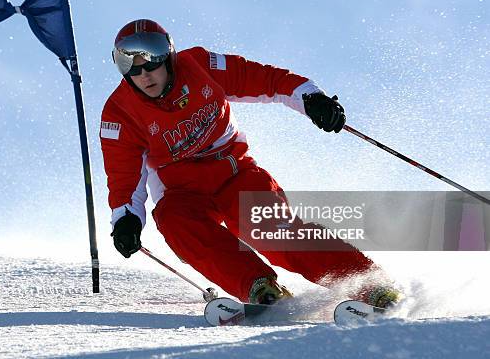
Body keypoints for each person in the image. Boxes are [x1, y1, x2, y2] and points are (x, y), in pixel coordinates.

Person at [100, 19, 400, 307]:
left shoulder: (201, 66)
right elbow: (124, 177)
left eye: (152, 62)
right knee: (175, 222)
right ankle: (259, 287)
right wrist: (126, 220)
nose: (144, 75)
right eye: (131, 67)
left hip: (234, 173)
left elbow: (266, 80)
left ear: (169, 56)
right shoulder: (119, 114)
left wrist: (312, 99)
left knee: (268, 229)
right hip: (182, 192)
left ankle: (370, 284)